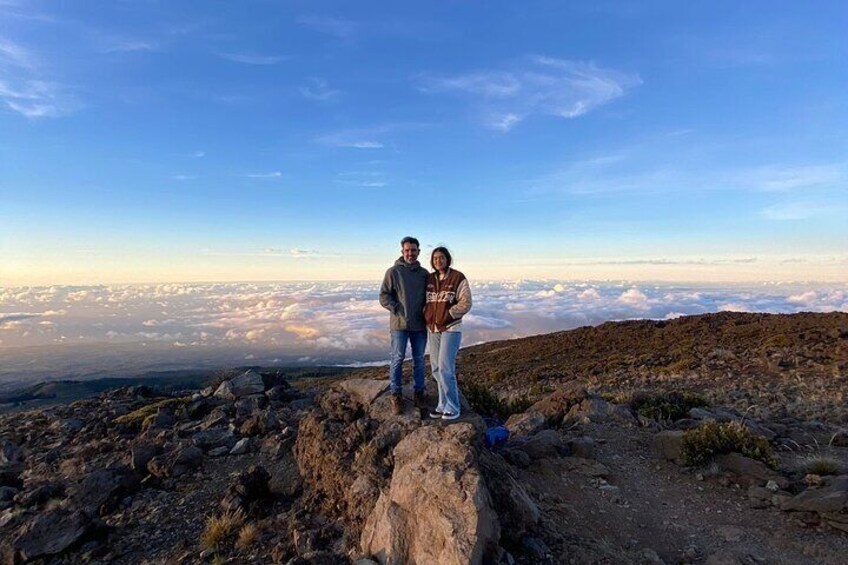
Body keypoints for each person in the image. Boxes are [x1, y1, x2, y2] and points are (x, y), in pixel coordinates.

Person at [379, 236, 429, 415]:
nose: (410, 253)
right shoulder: (393, 272)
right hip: (399, 324)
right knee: (398, 358)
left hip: (419, 324)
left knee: (419, 360)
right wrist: (396, 308)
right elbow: (384, 295)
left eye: (413, 250)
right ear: (402, 252)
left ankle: (419, 392)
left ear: (418, 252)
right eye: (407, 250)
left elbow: (430, 296)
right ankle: (396, 395)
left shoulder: (424, 274)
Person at [423, 246, 471, 420]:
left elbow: (466, 303)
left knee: (445, 368)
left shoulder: (458, 277)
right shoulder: (430, 279)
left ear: (447, 259)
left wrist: (448, 315)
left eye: (441, 258)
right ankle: (442, 404)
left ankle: (453, 406)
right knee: (435, 368)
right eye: (435, 258)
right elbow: (425, 301)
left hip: (451, 328)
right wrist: (426, 315)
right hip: (433, 329)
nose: (438, 261)